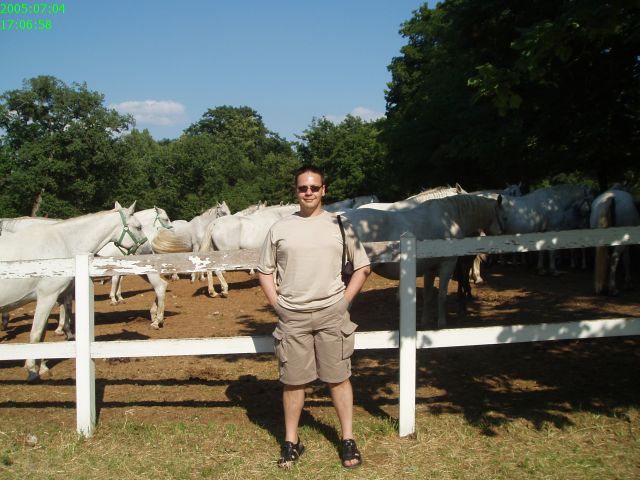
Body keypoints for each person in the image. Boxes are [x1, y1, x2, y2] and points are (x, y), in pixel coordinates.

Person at [257, 165, 371, 469]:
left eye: (314, 187)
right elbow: (264, 271)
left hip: (332, 313)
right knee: (293, 381)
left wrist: (343, 303)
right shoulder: (280, 228)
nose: (308, 193)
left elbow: (363, 267)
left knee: (338, 377)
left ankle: (348, 439)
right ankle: (291, 442)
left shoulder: (341, 224)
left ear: (323, 190)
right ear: (296, 191)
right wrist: (278, 305)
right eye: (302, 188)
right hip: (292, 316)